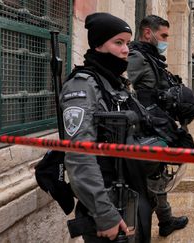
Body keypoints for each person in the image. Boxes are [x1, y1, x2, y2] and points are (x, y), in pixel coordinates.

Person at [60, 12, 153, 242]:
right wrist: (104, 214)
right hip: (108, 200)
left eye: (128, 43)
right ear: (99, 45)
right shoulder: (83, 86)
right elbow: (79, 157)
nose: (125, 50)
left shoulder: (114, 82)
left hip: (131, 193)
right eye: (118, 42)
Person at [127, 15, 193, 238]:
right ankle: (151, 223)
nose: (166, 40)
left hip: (156, 124)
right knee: (152, 176)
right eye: (163, 35)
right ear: (148, 33)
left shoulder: (151, 57)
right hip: (144, 127)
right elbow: (122, 87)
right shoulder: (136, 56)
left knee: (158, 174)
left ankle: (165, 219)